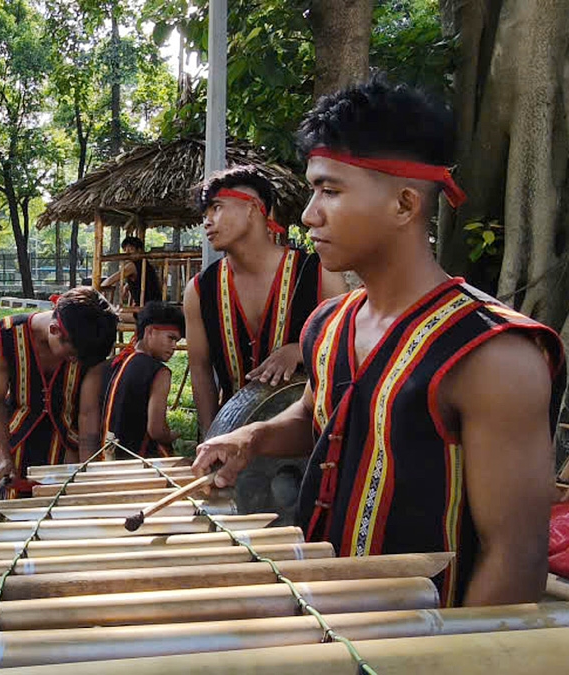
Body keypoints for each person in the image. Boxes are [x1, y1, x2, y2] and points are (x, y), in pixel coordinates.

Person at [193, 77, 566, 607]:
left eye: (330, 191)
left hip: (429, 636)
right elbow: (317, 415)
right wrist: (253, 437)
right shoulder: (328, 323)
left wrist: (451, 650)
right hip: (325, 616)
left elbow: (516, 555)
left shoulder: (493, 354)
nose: (309, 214)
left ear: (404, 204)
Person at [185, 166, 348, 437]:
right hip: (231, 438)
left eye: (217, 207)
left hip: (309, 438)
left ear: (252, 208)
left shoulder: (319, 273)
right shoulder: (199, 290)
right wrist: (210, 435)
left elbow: (347, 346)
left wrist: (300, 350)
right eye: (205, 213)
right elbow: (200, 368)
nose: (207, 221)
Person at [0, 287, 118, 496]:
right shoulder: (6, 337)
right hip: (18, 447)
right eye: (73, 355)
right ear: (54, 330)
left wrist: (87, 471)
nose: (76, 361)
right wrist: (3, 458)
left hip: (68, 450)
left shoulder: (89, 347)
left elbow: (88, 413)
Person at [102, 301, 185, 458]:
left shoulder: (112, 363)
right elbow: (156, 431)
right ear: (150, 331)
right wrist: (172, 435)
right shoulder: (159, 372)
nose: (174, 346)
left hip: (103, 455)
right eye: (171, 338)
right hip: (138, 459)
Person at [101, 236, 161, 306]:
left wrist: (98, 287)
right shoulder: (144, 264)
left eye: (131, 249)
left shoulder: (132, 266)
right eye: (125, 250)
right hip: (155, 304)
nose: (127, 253)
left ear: (139, 251)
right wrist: (127, 286)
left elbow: (109, 281)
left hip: (147, 306)